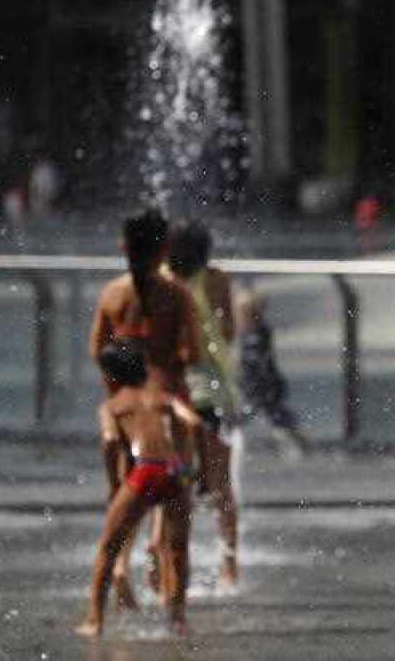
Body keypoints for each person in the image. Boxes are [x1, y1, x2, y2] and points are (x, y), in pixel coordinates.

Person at [89, 208, 200, 606]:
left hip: (124, 407)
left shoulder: (112, 294)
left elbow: (96, 349)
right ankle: (175, 610)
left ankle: (118, 568)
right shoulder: (176, 294)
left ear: (123, 247)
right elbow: (194, 352)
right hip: (169, 402)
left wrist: (118, 390)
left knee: (125, 489)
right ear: (165, 249)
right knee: (174, 504)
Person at [75, 340, 203, 637]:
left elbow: (109, 442)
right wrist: (202, 473)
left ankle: (94, 620)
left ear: (110, 377)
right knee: (177, 548)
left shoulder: (112, 406)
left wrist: (114, 485)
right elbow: (195, 423)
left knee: (109, 546)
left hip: (146, 470)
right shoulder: (165, 398)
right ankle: (177, 618)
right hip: (176, 471)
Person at [166, 220, 241, 588]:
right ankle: (230, 562)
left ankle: (162, 560)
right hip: (212, 387)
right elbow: (228, 333)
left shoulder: (163, 280)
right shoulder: (217, 279)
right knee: (220, 481)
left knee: (171, 478)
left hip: (174, 389)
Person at [236, 290, 309, 457]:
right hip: (257, 383)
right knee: (271, 412)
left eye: (242, 314)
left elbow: (257, 360)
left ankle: (297, 439)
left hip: (263, 384)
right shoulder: (251, 333)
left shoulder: (257, 334)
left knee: (264, 411)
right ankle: (297, 437)